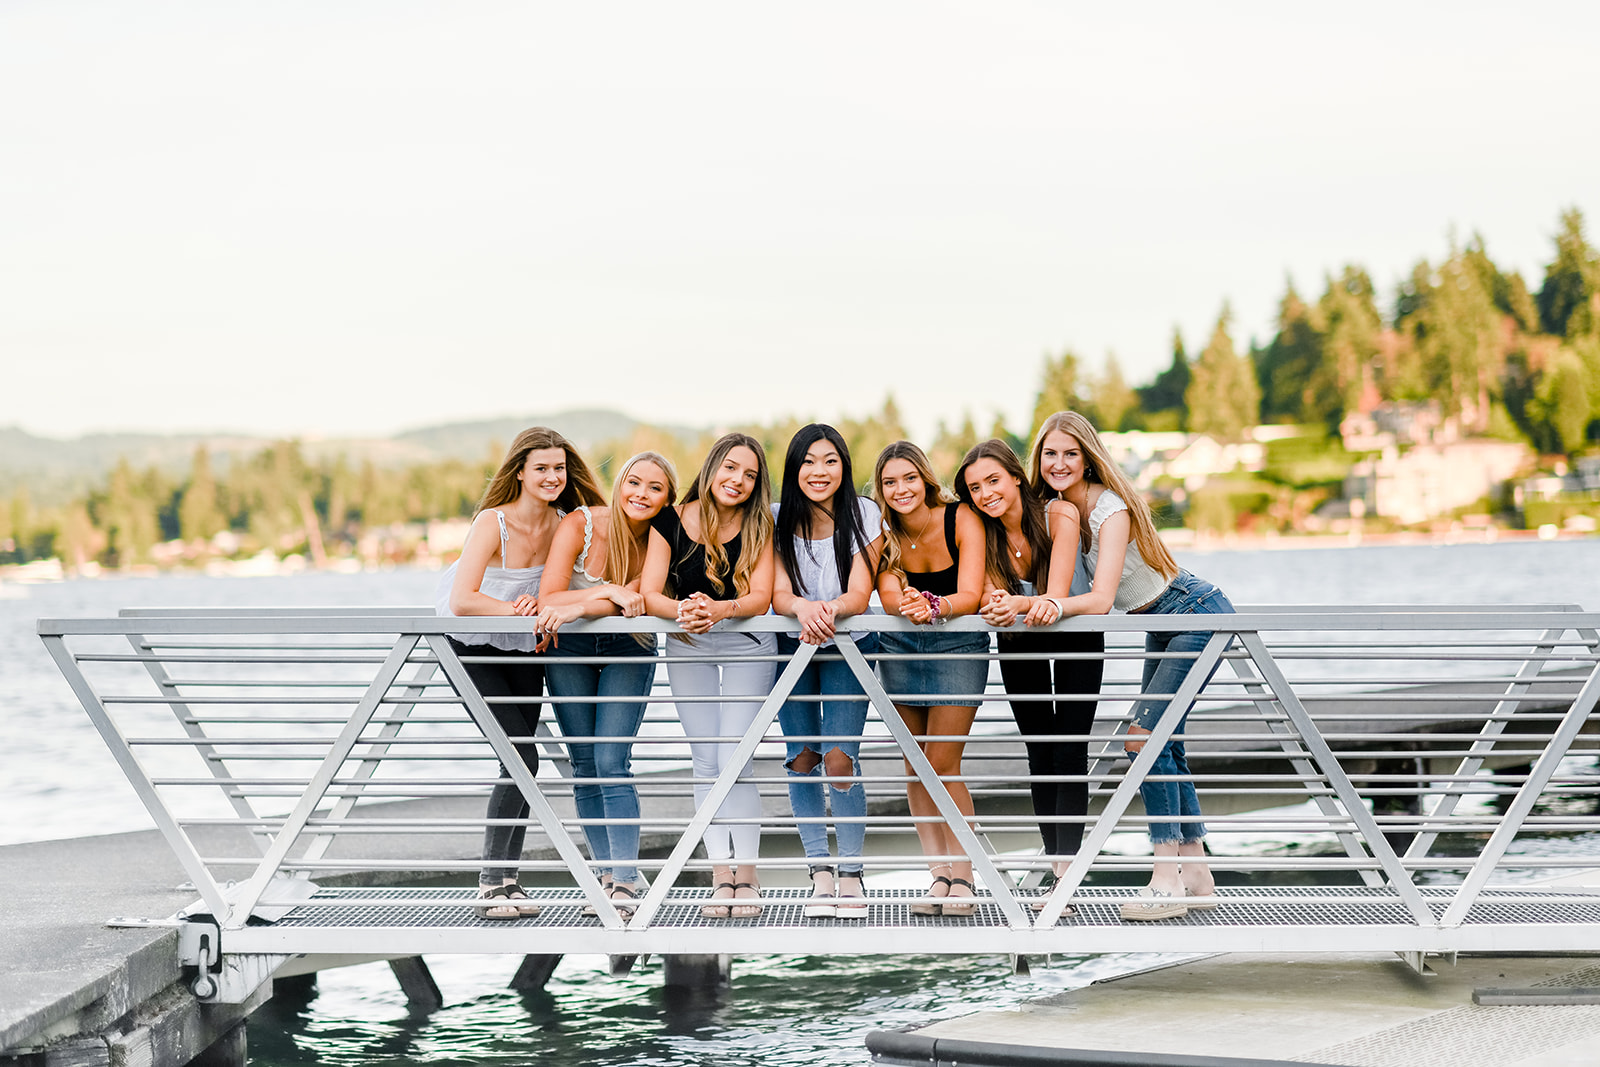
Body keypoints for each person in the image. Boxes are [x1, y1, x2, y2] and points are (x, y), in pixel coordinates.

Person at [1031, 411, 1230, 921]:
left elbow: (1098, 601)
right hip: (1160, 623)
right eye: (1050, 453)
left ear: (1088, 457)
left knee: (1144, 739)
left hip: (1193, 611)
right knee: (1167, 744)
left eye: (1070, 453)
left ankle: (1165, 879)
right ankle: (1197, 873)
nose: (1059, 463)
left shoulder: (1108, 509)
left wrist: (1051, 606)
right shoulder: (1055, 509)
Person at [436, 426, 605, 919]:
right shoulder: (494, 522)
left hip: (527, 644)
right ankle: (492, 882)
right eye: (541, 469)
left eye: (559, 468)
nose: (553, 477)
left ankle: (509, 881)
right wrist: (518, 612)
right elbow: (463, 601)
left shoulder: (566, 522)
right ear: (520, 472)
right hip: (469, 641)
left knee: (522, 760)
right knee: (520, 752)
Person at [956, 439, 1104, 915]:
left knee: (1069, 745)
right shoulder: (981, 528)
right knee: (1040, 750)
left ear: (1017, 477)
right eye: (975, 487)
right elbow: (982, 591)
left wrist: (1010, 602)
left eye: (993, 481)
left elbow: (1054, 595)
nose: (985, 494)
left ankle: (1067, 874)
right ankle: (1058, 874)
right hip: (1020, 642)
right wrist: (994, 603)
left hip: (1076, 634)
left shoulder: (1059, 513)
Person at [640, 433, 777, 919]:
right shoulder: (671, 518)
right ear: (713, 466)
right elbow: (649, 591)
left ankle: (750, 875)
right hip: (688, 642)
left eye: (750, 475)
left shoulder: (761, 524)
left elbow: (761, 595)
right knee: (704, 760)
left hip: (747, 642)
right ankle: (722, 874)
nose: (738, 481)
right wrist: (684, 612)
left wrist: (720, 609)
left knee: (735, 756)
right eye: (731, 468)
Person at [537, 451, 679, 917]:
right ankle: (605, 874)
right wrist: (606, 590)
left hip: (629, 649)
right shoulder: (581, 523)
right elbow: (547, 597)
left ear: (667, 499)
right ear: (619, 486)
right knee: (584, 764)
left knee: (610, 760)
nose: (641, 494)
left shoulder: (663, 538)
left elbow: (633, 603)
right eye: (633, 483)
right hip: (567, 653)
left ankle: (625, 880)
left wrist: (588, 602)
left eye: (655, 488)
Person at [770, 425, 883, 919]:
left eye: (831, 460)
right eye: (809, 461)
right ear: (794, 468)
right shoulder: (775, 519)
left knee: (839, 757)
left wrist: (827, 610)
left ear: (844, 465)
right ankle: (819, 872)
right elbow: (777, 593)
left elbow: (860, 595)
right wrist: (803, 609)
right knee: (801, 757)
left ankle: (852, 874)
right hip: (791, 645)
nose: (820, 472)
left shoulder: (864, 513)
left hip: (850, 644)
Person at [872, 441, 987, 917]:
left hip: (958, 644)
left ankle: (965, 873)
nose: (901, 490)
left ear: (925, 479)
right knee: (914, 762)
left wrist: (935, 605)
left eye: (908, 478)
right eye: (889, 482)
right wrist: (904, 602)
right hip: (899, 645)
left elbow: (973, 591)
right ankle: (937, 873)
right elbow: (885, 587)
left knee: (942, 761)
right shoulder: (882, 530)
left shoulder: (960, 517)